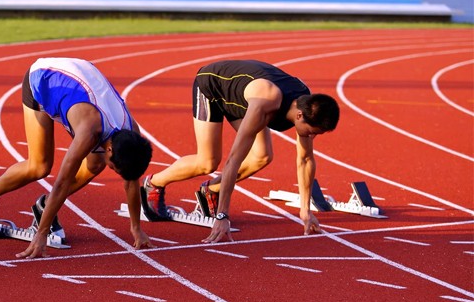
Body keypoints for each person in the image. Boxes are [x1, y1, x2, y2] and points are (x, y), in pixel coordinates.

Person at [141, 59, 340, 242]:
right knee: (208, 162)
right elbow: (234, 159)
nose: (313, 136)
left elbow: (305, 159)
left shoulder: (308, 104)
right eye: (313, 132)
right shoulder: (266, 104)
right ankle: (154, 183)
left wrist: (305, 211)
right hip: (212, 87)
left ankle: (212, 190)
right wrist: (222, 216)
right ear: (299, 116)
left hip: (243, 97)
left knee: (261, 157)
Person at [0, 57, 154, 258]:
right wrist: (41, 234)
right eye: (115, 168)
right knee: (40, 166)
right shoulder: (88, 131)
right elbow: (62, 182)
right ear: (109, 149)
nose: (114, 171)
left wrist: (136, 228)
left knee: (95, 164)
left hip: (78, 80)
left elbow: (131, 182)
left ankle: (45, 206)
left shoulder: (132, 135)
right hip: (44, 78)